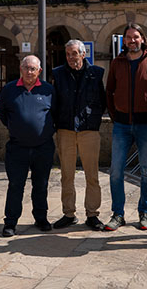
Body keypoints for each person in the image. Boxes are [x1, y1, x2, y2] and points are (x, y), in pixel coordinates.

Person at [104, 23, 147, 231]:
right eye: (128, 37)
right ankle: (118, 214)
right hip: (121, 125)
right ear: (124, 41)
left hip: (146, 125)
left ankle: (144, 212)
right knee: (115, 171)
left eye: (135, 37)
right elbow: (109, 91)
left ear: (142, 39)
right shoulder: (117, 63)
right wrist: (115, 115)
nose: (132, 40)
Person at [50, 40, 107, 231]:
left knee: (92, 175)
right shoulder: (58, 73)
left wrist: (93, 119)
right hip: (65, 130)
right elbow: (55, 102)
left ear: (83, 54)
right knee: (67, 175)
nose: (71, 57)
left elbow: (102, 101)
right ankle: (69, 213)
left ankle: (92, 214)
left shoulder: (96, 73)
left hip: (89, 130)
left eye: (74, 53)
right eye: (67, 54)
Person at [0, 55, 56, 237]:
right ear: (20, 69)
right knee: (16, 185)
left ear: (39, 71)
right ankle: (10, 222)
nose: (29, 72)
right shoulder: (9, 90)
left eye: (33, 69)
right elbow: (2, 114)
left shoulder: (48, 90)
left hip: (43, 147)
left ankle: (41, 218)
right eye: (26, 68)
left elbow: (56, 114)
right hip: (17, 148)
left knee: (41, 185)